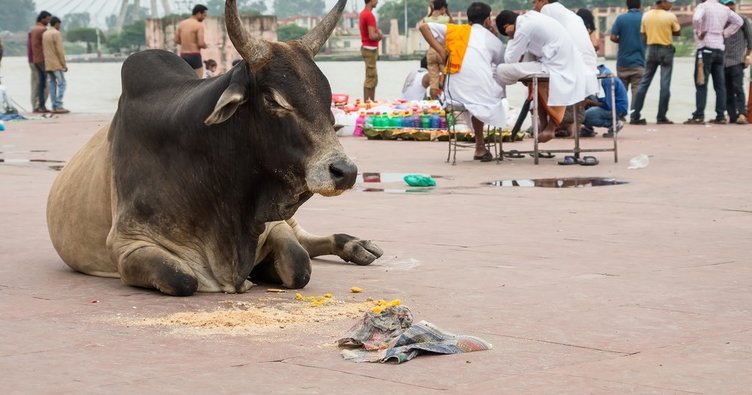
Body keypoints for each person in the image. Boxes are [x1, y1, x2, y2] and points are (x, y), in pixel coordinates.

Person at [420, 2, 505, 162]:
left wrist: (442, 51)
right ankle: (480, 147)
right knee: (488, 94)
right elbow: (500, 65)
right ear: (488, 20)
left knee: (476, 95)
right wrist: (495, 36)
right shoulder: (493, 41)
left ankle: (480, 145)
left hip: (453, 93)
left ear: (468, 18)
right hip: (479, 96)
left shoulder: (456, 30)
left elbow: (424, 27)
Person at [496, 10, 596, 143]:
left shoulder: (523, 28)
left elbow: (510, 59)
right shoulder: (532, 18)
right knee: (531, 77)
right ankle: (545, 125)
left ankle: (548, 127)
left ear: (507, 26)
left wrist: (511, 38)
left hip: (555, 66)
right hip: (560, 63)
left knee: (501, 70)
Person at [534, 0, 599, 138]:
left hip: (572, 64)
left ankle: (549, 126)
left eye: (535, 2)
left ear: (543, 1)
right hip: (589, 66)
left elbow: (544, 39)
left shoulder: (547, 9)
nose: (534, 7)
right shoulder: (572, 15)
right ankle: (550, 126)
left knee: (537, 83)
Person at [684, 0, 742, 124]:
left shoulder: (703, 6)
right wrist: (725, 33)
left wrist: (700, 31)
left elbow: (696, 18)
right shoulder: (724, 9)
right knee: (720, 86)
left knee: (701, 83)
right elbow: (739, 21)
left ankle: (699, 115)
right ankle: (720, 116)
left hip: (705, 49)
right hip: (719, 50)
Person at [629, 0, 681, 125]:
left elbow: (643, 36)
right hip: (666, 50)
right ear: (662, 2)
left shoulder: (646, 15)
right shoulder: (670, 16)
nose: (671, 5)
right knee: (664, 84)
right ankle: (661, 116)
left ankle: (635, 115)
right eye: (669, 3)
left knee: (644, 82)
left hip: (651, 49)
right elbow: (678, 32)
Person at [609, 0, 646, 113]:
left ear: (627, 6)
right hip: (639, 61)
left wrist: (623, 40)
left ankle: (620, 114)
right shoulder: (644, 18)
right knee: (636, 90)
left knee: (621, 90)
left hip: (623, 62)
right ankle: (635, 114)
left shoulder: (621, 19)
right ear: (640, 5)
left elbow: (612, 37)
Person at [721, 0, 752, 125]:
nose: (730, 7)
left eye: (731, 4)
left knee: (738, 88)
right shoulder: (720, 21)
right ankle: (732, 115)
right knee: (727, 90)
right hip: (722, 61)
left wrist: (747, 56)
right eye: (727, 4)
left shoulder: (743, 20)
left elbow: (750, 40)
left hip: (737, 60)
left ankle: (742, 114)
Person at [580, 64, 629, 138]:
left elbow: (608, 105)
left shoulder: (606, 79)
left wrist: (590, 103)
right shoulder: (605, 73)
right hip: (614, 104)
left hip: (618, 109)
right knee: (588, 96)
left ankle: (613, 124)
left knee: (585, 116)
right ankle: (588, 129)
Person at [424, 0, 453, 98]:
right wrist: (448, 12)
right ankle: (445, 101)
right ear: (443, 8)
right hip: (442, 50)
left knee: (433, 81)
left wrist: (431, 10)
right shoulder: (446, 19)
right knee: (446, 79)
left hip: (431, 51)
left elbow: (427, 19)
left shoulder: (426, 20)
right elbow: (455, 27)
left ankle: (434, 102)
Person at [43, 16, 69, 114]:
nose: (60, 27)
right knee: (62, 84)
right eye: (59, 25)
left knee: (52, 84)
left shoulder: (45, 33)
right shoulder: (56, 33)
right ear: (57, 24)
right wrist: (64, 64)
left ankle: (54, 106)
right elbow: (60, 51)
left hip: (48, 64)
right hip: (56, 64)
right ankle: (59, 105)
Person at [175, 4, 208, 78]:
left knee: (185, 80)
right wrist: (206, 46)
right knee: (198, 81)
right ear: (199, 13)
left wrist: (186, 42)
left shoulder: (181, 24)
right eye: (204, 15)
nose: (204, 18)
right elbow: (201, 43)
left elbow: (177, 40)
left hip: (183, 55)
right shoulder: (198, 25)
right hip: (195, 55)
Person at [360, 0, 383, 102]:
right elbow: (372, 36)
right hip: (369, 49)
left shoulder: (363, 14)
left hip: (369, 48)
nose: (377, 1)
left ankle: (371, 102)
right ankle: (367, 103)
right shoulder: (369, 15)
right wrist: (380, 34)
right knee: (370, 77)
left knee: (373, 77)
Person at [29, 11, 51, 113]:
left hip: (33, 59)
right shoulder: (43, 30)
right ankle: (41, 105)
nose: (48, 21)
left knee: (36, 83)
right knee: (45, 84)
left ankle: (36, 105)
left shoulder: (32, 29)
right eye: (47, 19)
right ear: (42, 19)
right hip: (41, 59)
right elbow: (47, 46)